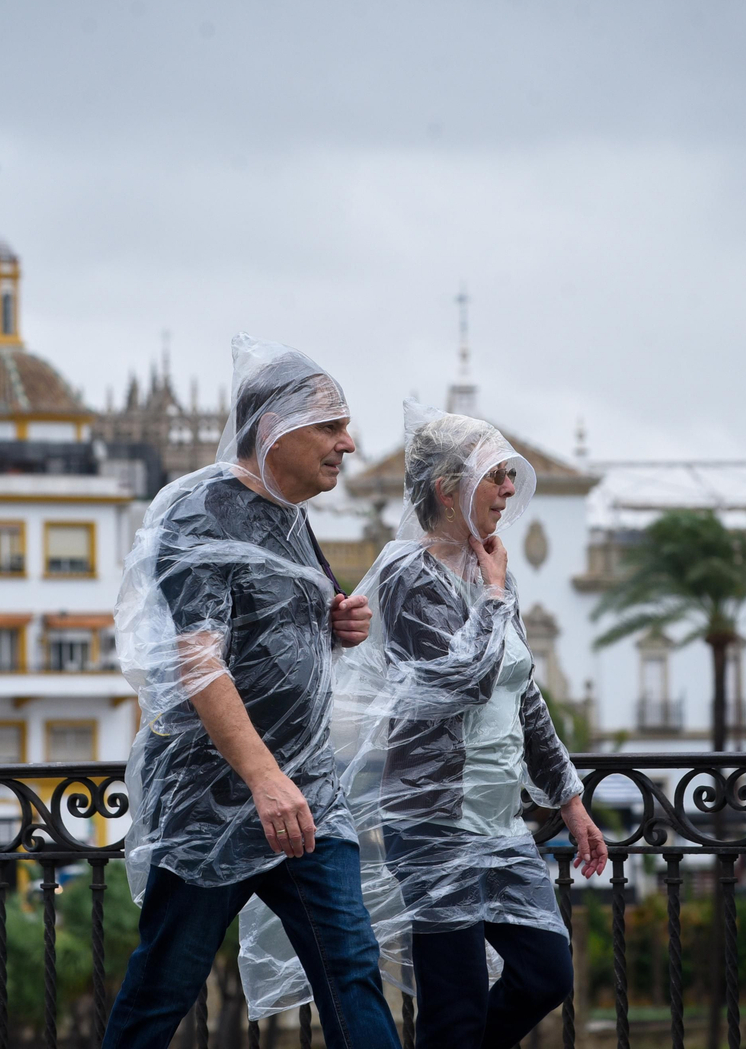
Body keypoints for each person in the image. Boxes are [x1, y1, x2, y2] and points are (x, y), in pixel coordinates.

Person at [239, 401, 608, 1046]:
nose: (508, 490)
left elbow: (524, 698)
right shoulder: (412, 578)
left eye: (508, 477)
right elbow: (464, 680)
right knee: (455, 1006)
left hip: (498, 821)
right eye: (495, 476)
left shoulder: (493, 574)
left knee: (548, 975)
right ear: (448, 488)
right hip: (434, 822)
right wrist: (493, 596)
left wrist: (570, 800)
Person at [105, 334, 402, 1049]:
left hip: (306, 797)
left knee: (353, 972)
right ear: (275, 426)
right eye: (331, 425)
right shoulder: (200, 512)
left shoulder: (294, 518)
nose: (349, 443)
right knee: (164, 990)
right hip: (215, 802)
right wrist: (264, 777)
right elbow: (198, 661)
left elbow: (272, 625)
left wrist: (336, 619)